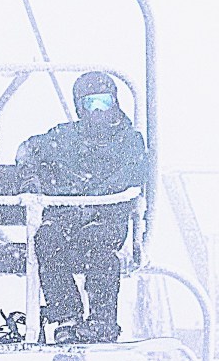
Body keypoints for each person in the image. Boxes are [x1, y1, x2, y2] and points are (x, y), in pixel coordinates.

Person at [15, 71, 148, 344]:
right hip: (69, 218)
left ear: (115, 103)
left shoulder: (128, 140)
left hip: (108, 216)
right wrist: (31, 178)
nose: (98, 111)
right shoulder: (67, 137)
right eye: (91, 104)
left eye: (104, 102)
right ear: (79, 107)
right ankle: (67, 316)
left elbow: (130, 177)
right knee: (47, 238)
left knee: (97, 243)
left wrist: (93, 200)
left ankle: (102, 320)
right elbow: (28, 149)